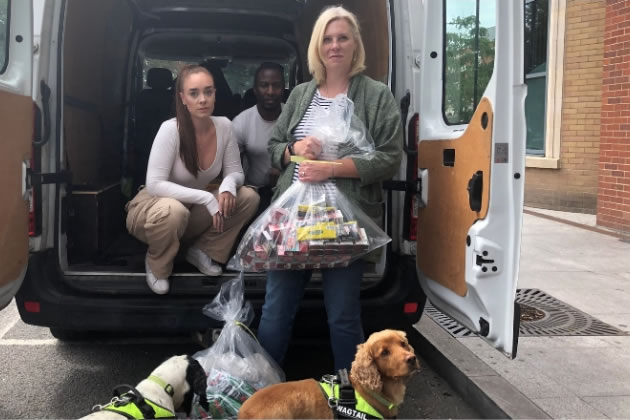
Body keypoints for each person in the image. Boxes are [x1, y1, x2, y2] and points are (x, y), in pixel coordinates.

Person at [257, 6, 403, 372]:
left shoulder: (376, 95)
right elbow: (274, 148)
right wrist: (294, 151)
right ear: (317, 46)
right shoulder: (300, 94)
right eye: (327, 38)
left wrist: (331, 168)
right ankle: (262, 394)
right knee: (276, 308)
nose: (334, 45)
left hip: (346, 221)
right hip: (294, 219)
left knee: (342, 315)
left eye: (342, 37)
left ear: (355, 45)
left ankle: (351, 394)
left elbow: (389, 157)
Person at [125, 64, 259, 295]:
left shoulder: (225, 126)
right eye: (194, 93)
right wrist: (207, 198)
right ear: (182, 98)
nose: (203, 99)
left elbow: (236, 172)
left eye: (208, 92)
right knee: (174, 210)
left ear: (216, 93)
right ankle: (157, 262)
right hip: (152, 209)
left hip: (190, 210)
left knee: (247, 196)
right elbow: (155, 184)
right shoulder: (170, 129)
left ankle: (203, 251)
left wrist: (227, 186)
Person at [232, 62, 285, 216]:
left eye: (276, 85)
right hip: (254, 194)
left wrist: (284, 169)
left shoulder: (294, 118)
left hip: (288, 191)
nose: (270, 91)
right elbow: (232, 167)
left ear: (283, 89)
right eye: (264, 85)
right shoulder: (241, 122)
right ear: (255, 90)